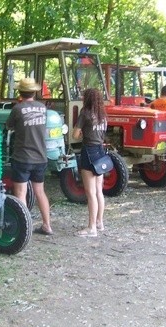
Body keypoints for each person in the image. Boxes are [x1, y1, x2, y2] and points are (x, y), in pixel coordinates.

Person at [5, 78, 53, 235]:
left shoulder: (18, 109)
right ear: (34, 91)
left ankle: (24, 230)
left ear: (20, 92)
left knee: (20, 193)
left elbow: (9, 126)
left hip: (22, 158)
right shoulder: (43, 108)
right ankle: (47, 225)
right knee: (40, 191)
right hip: (40, 157)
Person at [72, 88, 108, 237]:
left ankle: (91, 227)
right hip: (100, 151)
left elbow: (75, 135)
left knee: (90, 192)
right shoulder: (102, 115)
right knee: (99, 190)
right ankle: (100, 222)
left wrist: (81, 134)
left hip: (89, 151)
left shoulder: (85, 113)